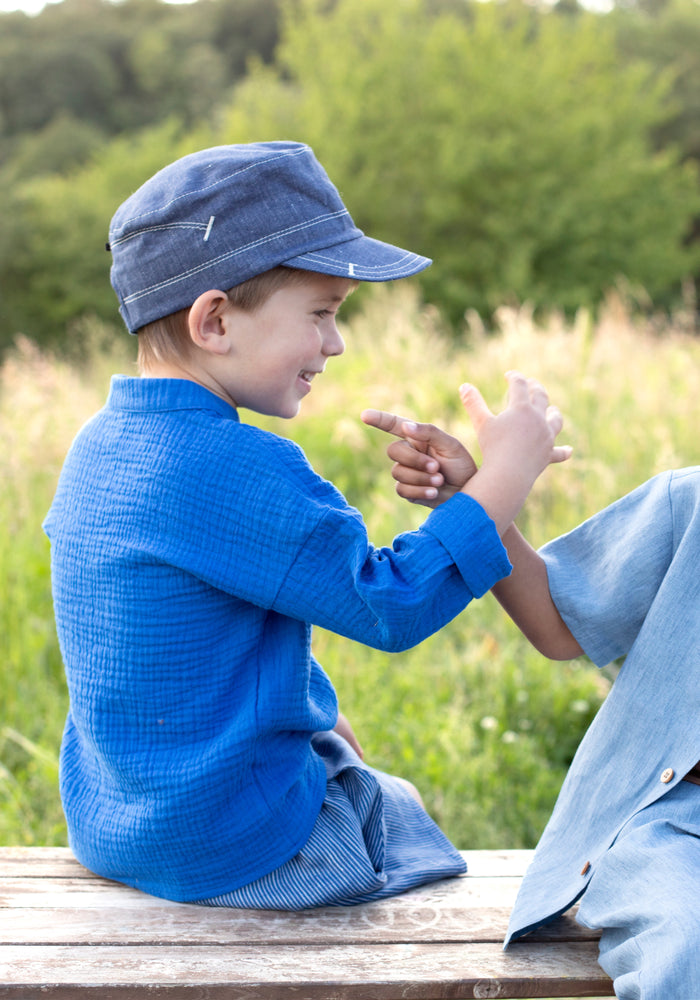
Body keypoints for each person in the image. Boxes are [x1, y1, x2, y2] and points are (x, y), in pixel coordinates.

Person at [43, 140, 570, 909]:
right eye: (321, 313)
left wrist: (320, 718)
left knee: (336, 743)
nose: (335, 342)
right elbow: (392, 603)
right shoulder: (240, 465)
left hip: (117, 822)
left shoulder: (100, 446)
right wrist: (506, 477)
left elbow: (186, 647)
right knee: (396, 805)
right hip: (232, 847)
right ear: (214, 321)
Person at [366, 395, 700, 1000]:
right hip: (676, 827)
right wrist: (472, 499)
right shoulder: (690, 504)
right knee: (688, 944)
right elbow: (558, 623)